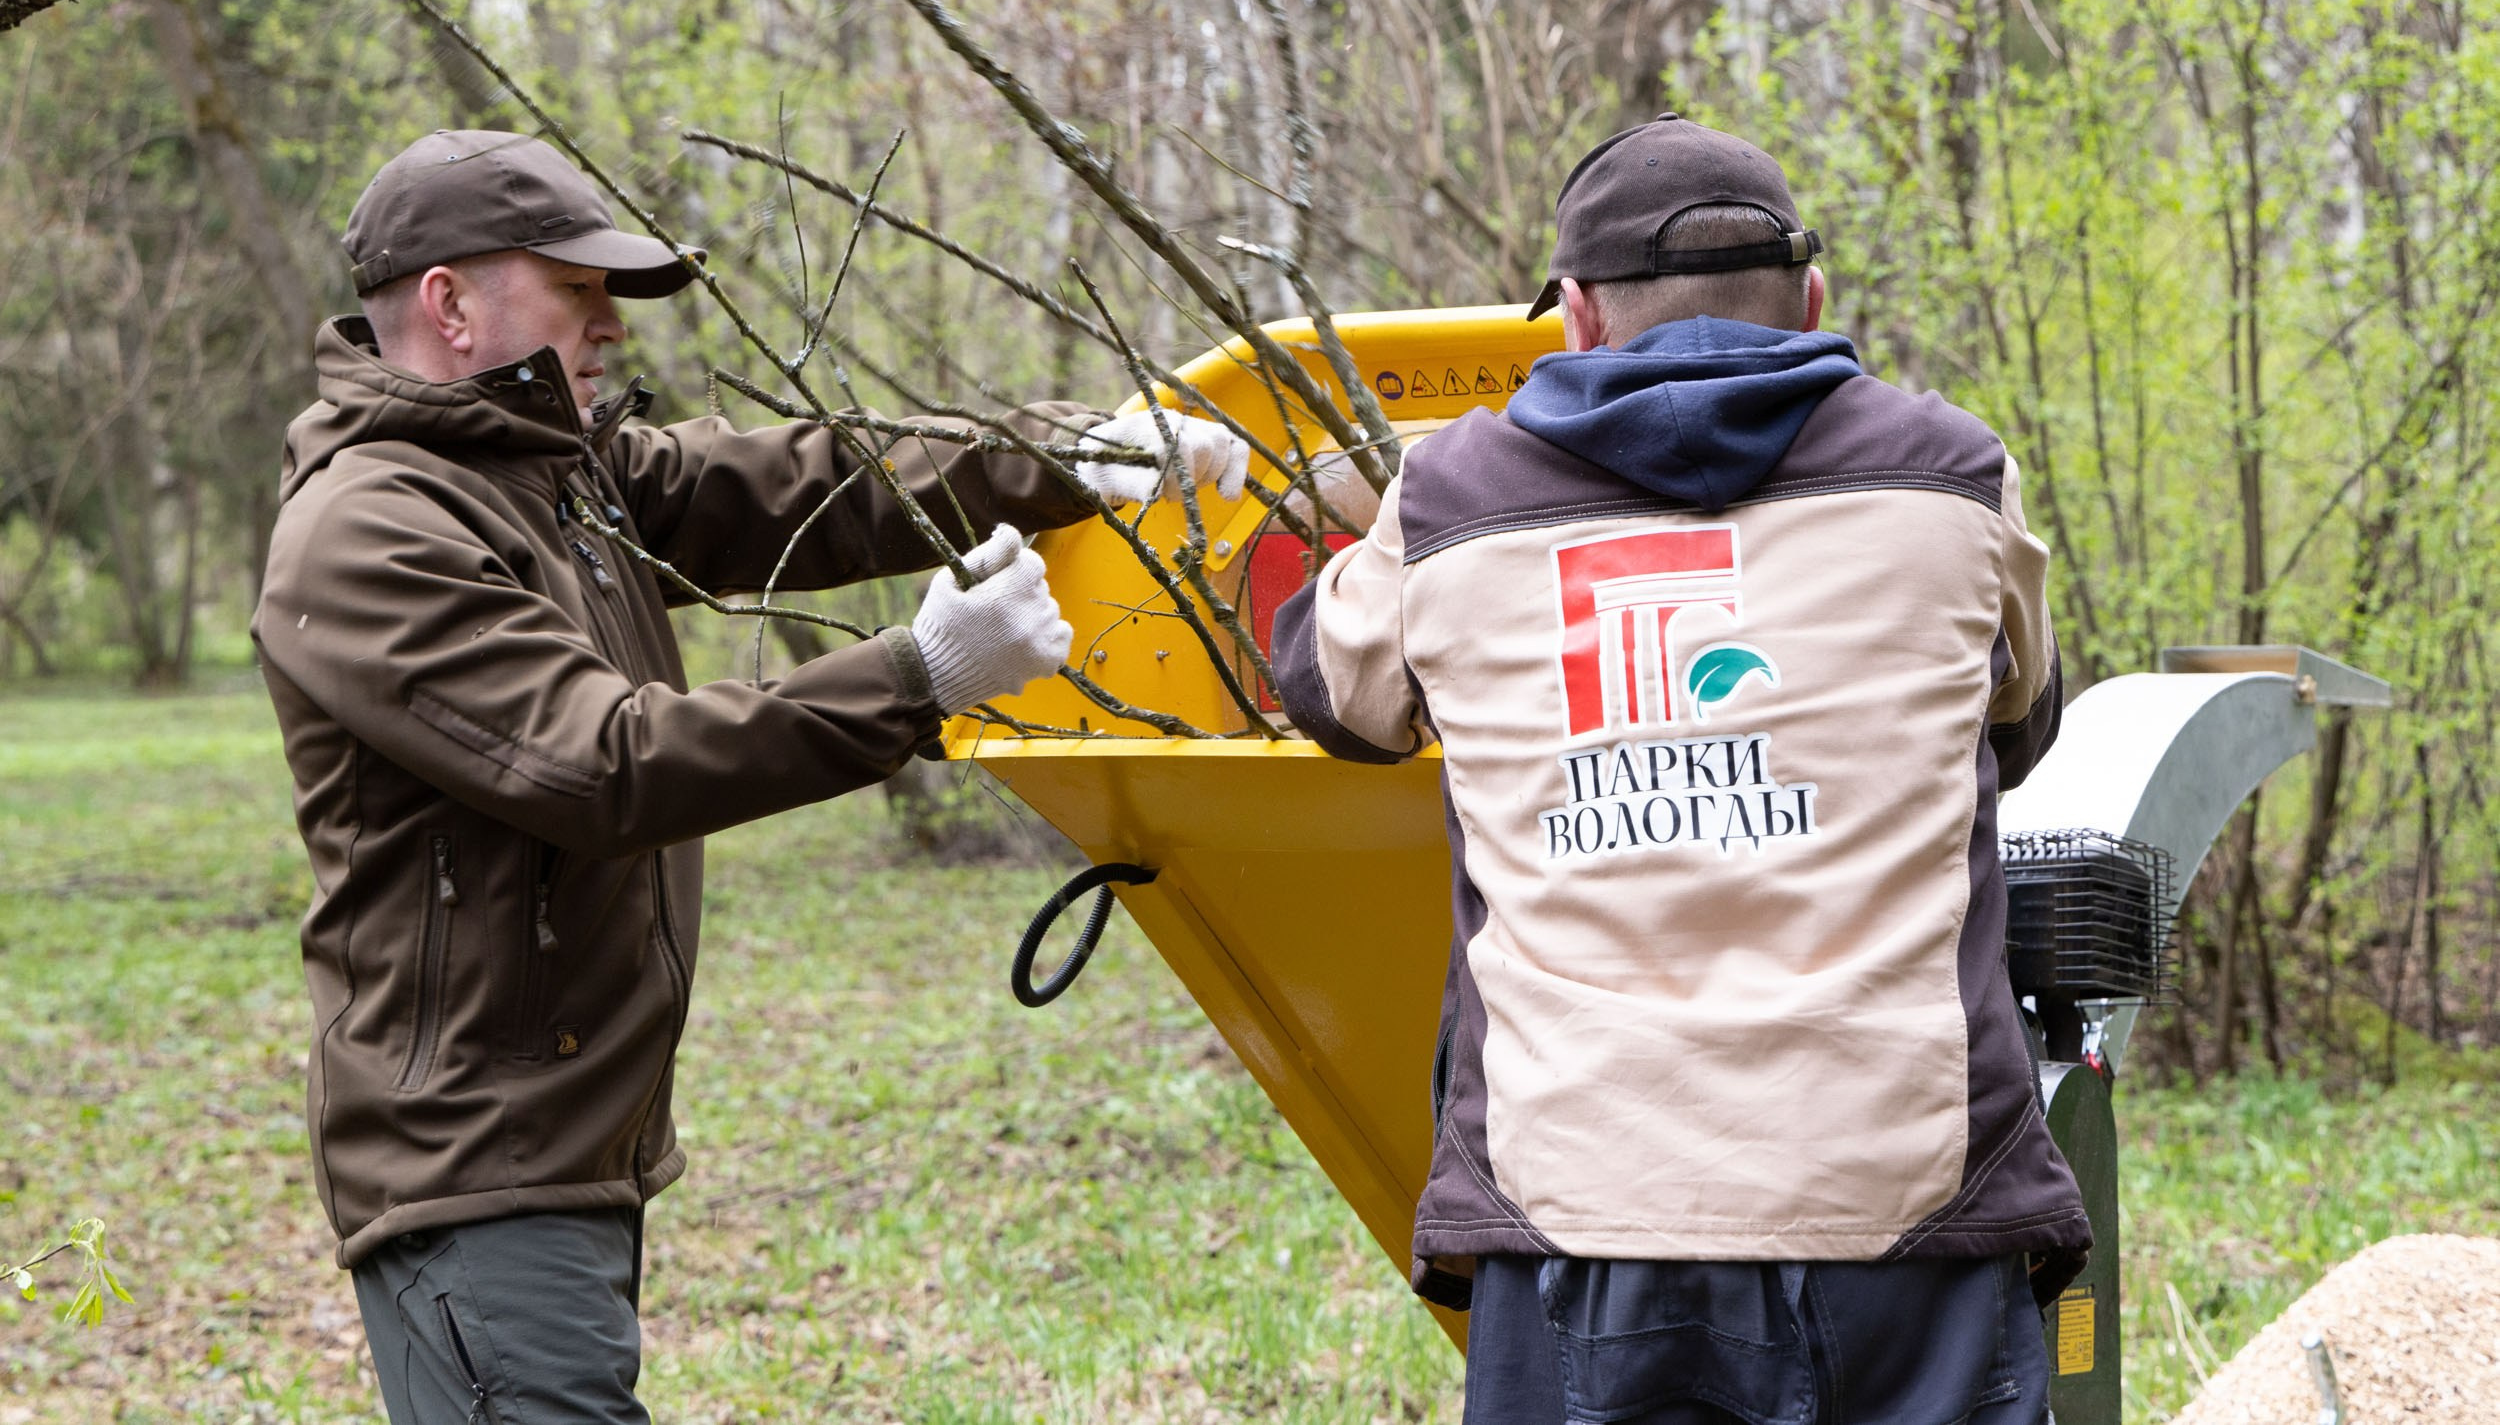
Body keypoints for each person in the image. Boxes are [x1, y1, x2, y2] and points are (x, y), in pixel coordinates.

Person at [251, 129, 1247, 1424]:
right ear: (450, 304)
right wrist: (918, 676)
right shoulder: (369, 530)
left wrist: (1075, 456)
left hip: (560, 1146)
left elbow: (805, 484)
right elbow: (607, 763)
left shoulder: (565, 475)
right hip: (473, 1165)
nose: (611, 324)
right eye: (580, 289)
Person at [1271, 114, 2084, 1423]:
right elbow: (2023, 717)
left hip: (1591, 1211)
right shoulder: (1952, 478)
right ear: (1813, 301)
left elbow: (1335, 697)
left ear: (1579, 319)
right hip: (1906, 1204)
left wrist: (1386, 520)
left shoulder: (1456, 502)